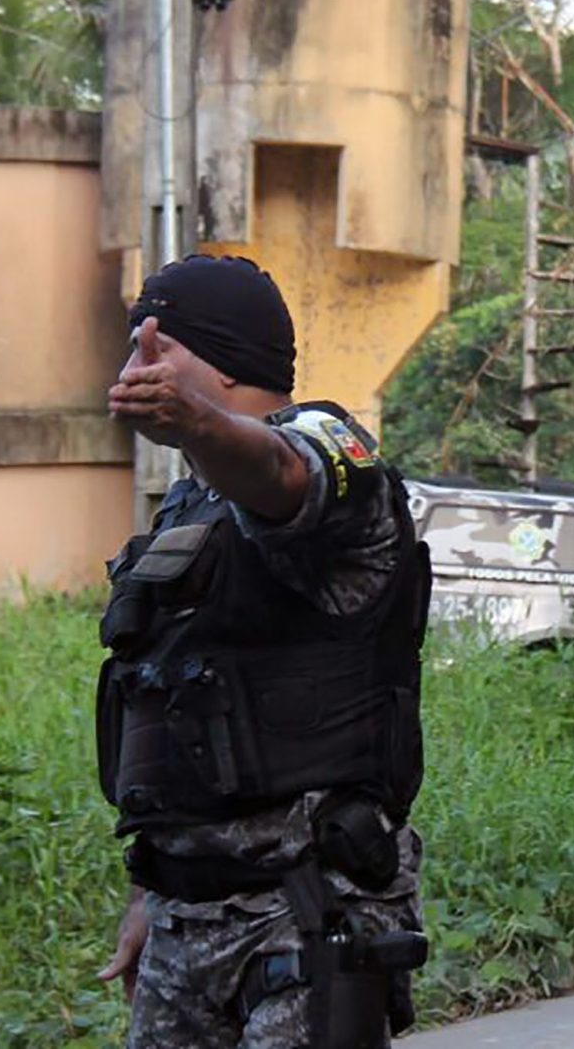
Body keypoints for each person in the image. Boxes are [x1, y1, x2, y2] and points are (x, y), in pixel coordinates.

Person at [95, 255, 431, 1048]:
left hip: (304, 913)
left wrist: (199, 423)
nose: (133, 365)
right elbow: (171, 698)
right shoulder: (189, 503)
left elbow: (284, 474)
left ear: (222, 357)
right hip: (188, 917)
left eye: (158, 345)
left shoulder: (327, 444)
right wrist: (151, 891)